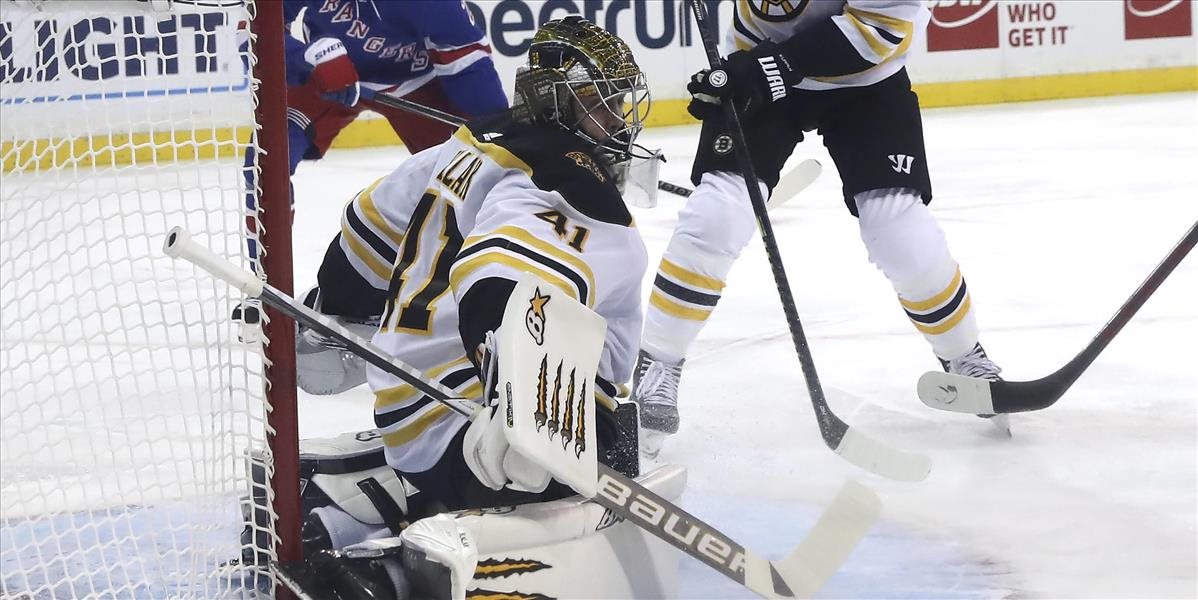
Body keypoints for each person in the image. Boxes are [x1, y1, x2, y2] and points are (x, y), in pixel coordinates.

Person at [633, 1, 1006, 458]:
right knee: (717, 215)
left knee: (898, 230)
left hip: (866, 79)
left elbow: (881, 30)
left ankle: (963, 355)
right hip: (758, 55)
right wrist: (751, 67)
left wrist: (770, 66)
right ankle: (658, 362)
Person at [235, 0, 509, 337]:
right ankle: (267, 291)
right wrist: (304, 58)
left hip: (418, 82)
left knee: (479, 172)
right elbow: (252, 28)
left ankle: (484, 285)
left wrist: (498, 135)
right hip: (324, 72)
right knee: (264, 159)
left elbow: (469, 71)